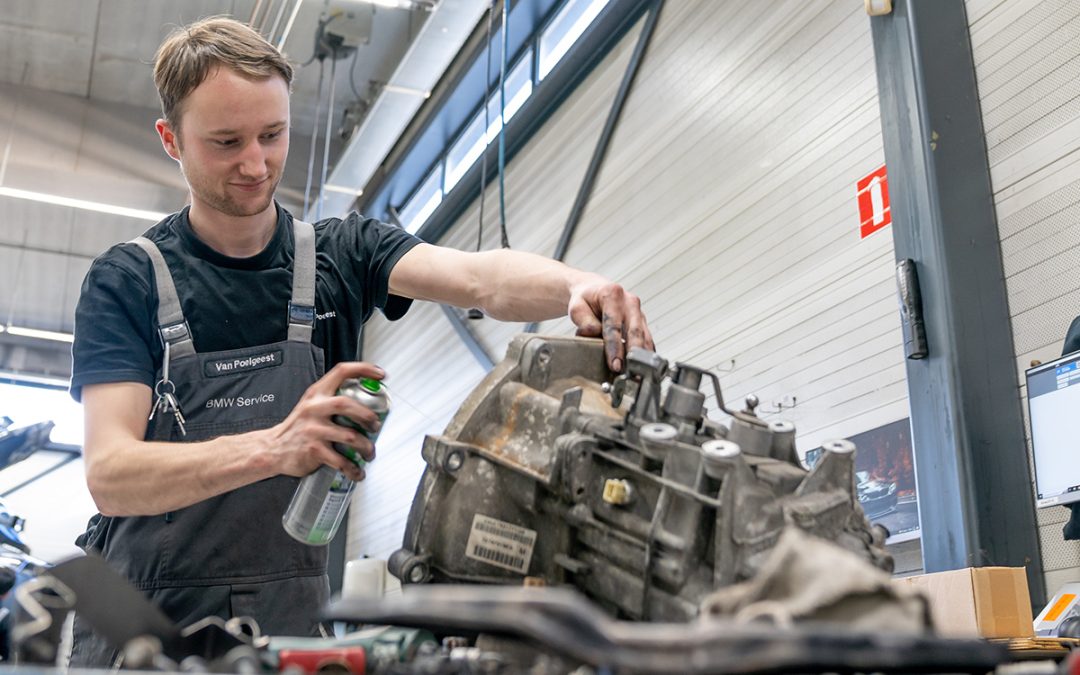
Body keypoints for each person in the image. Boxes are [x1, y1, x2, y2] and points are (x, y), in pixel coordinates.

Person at [68, 16, 652, 666]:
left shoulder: (341, 256)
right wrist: (273, 446)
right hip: (147, 634)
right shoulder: (129, 279)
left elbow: (479, 277)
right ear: (171, 139)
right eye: (226, 141)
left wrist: (580, 283)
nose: (256, 164)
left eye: (273, 134)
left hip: (289, 625)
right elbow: (111, 474)